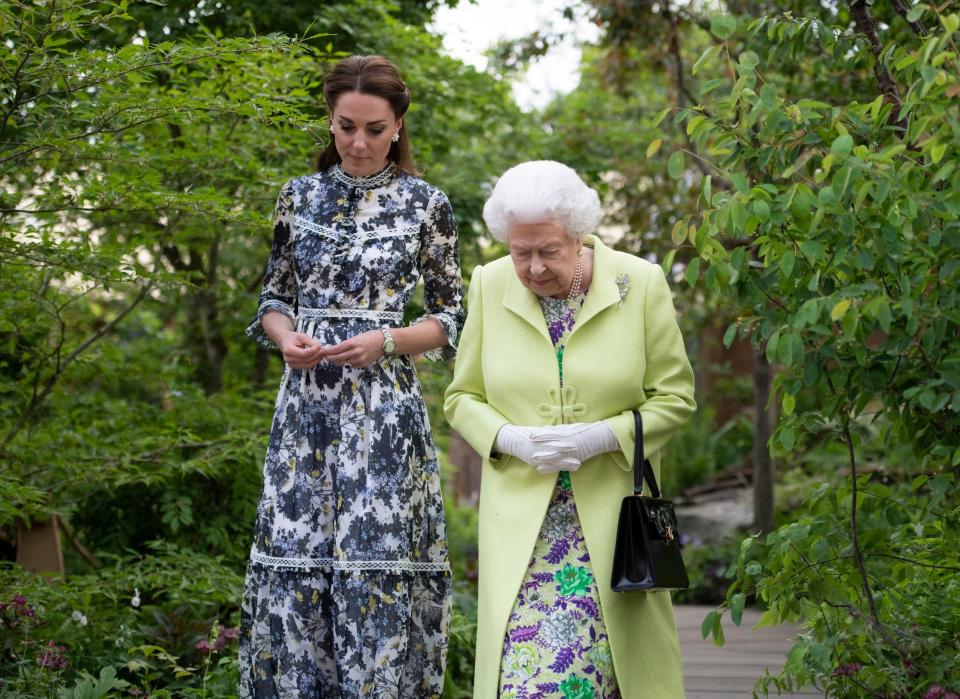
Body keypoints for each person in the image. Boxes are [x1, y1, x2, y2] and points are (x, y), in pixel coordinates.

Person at [239, 55, 464, 698]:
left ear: (398, 127)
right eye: (346, 127)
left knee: (376, 566)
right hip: (305, 412)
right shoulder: (296, 196)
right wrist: (288, 341)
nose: (358, 143)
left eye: (374, 129)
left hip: (385, 415)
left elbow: (450, 317)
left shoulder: (427, 205)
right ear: (330, 122)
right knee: (296, 563)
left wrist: (388, 341)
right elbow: (272, 301)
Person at [444, 160, 696, 698]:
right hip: (521, 533)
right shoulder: (488, 284)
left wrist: (602, 437)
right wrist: (509, 438)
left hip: (611, 532)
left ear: (579, 237)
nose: (533, 268)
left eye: (548, 251)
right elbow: (462, 397)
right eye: (520, 252)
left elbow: (676, 399)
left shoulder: (640, 282)